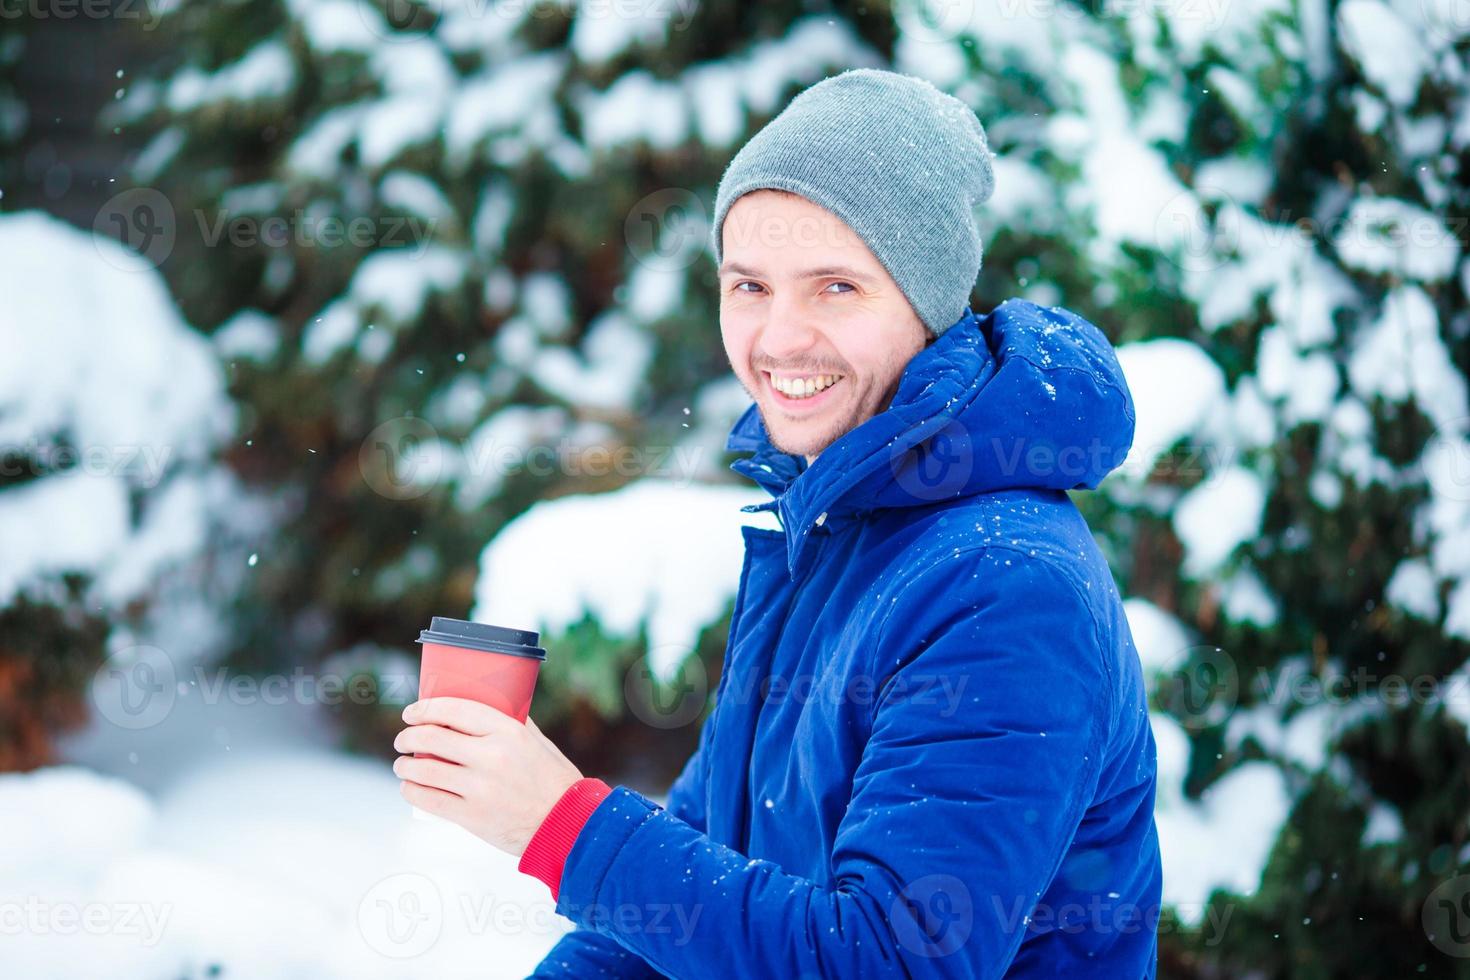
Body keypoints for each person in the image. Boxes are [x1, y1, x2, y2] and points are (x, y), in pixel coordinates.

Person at [393, 67, 1163, 978]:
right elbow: (706, 861)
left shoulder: (1005, 586)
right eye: (749, 286)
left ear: (926, 300)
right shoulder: (829, 532)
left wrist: (561, 825)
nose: (780, 339)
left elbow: (882, 963)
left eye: (835, 287)